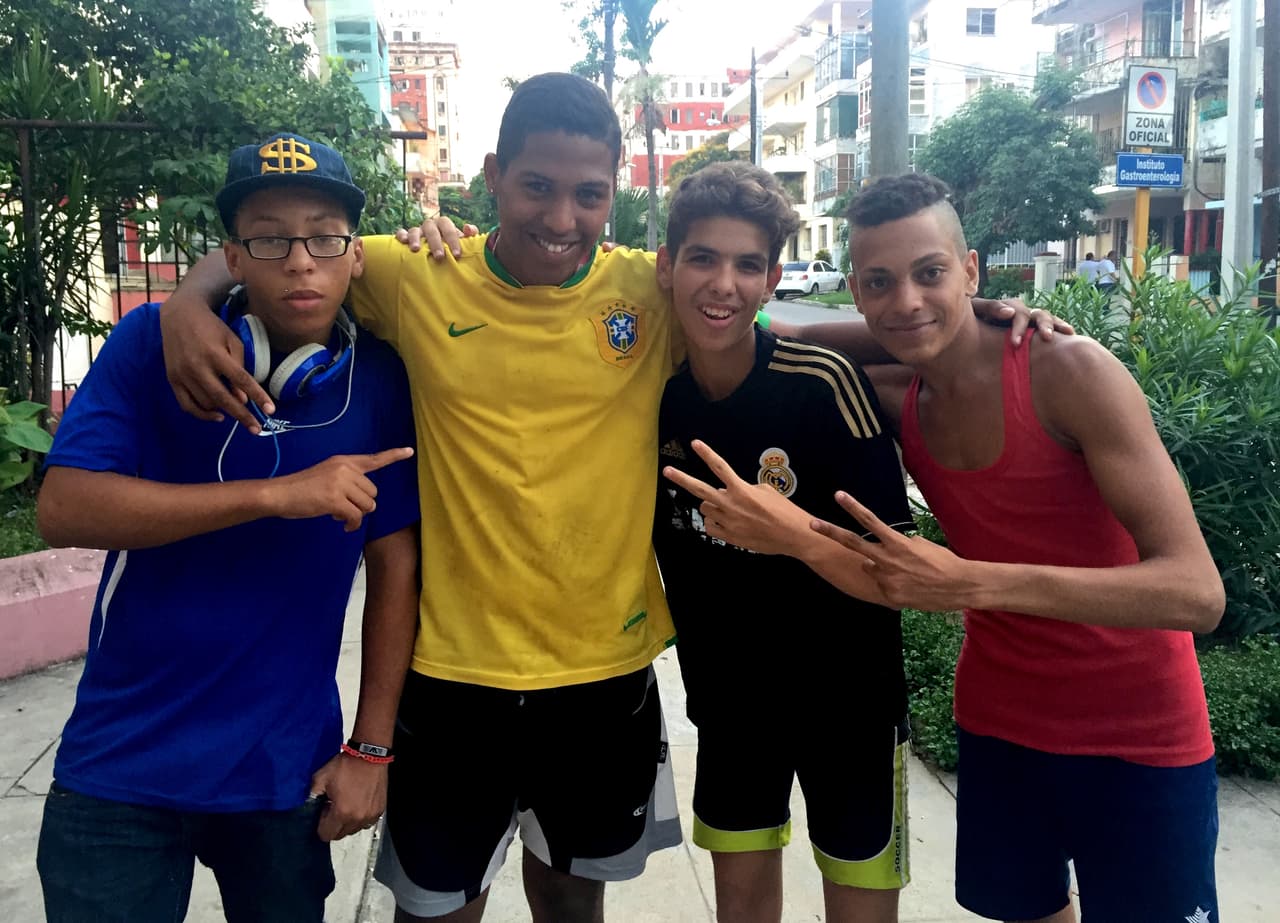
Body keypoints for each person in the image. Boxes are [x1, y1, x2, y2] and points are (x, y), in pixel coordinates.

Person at [156, 74, 1064, 923]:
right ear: (492, 178)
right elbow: (283, 244)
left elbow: (753, 318)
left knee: (576, 906)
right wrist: (188, 306)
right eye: (538, 187)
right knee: (431, 908)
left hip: (604, 680)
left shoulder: (646, 284)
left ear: (617, 192)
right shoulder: (410, 274)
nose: (562, 217)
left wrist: (960, 317)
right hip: (455, 675)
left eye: (589, 194)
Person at [671, 173, 1224, 923]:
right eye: (879, 281)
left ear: (971, 269)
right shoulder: (904, 400)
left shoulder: (1068, 370)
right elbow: (777, 335)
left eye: (931, 272)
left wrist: (973, 582)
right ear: (858, 293)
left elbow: (1197, 592)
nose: (905, 301)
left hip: (1138, 735)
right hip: (1001, 726)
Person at [34, 133, 421, 923]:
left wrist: (372, 748)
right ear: (234, 256)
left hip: (282, 770)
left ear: (356, 254)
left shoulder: (381, 377)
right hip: (120, 764)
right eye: (269, 237)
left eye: (323, 235)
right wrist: (274, 494)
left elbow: (397, 565)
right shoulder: (152, 345)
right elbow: (63, 506)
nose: (301, 260)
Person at [653, 161, 912, 923]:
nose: (722, 285)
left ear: (771, 280)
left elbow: (899, 574)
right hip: (730, 707)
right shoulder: (655, 391)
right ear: (667, 266)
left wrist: (790, 534)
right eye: (702, 258)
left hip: (851, 709)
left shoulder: (822, 384)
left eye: (746, 265)